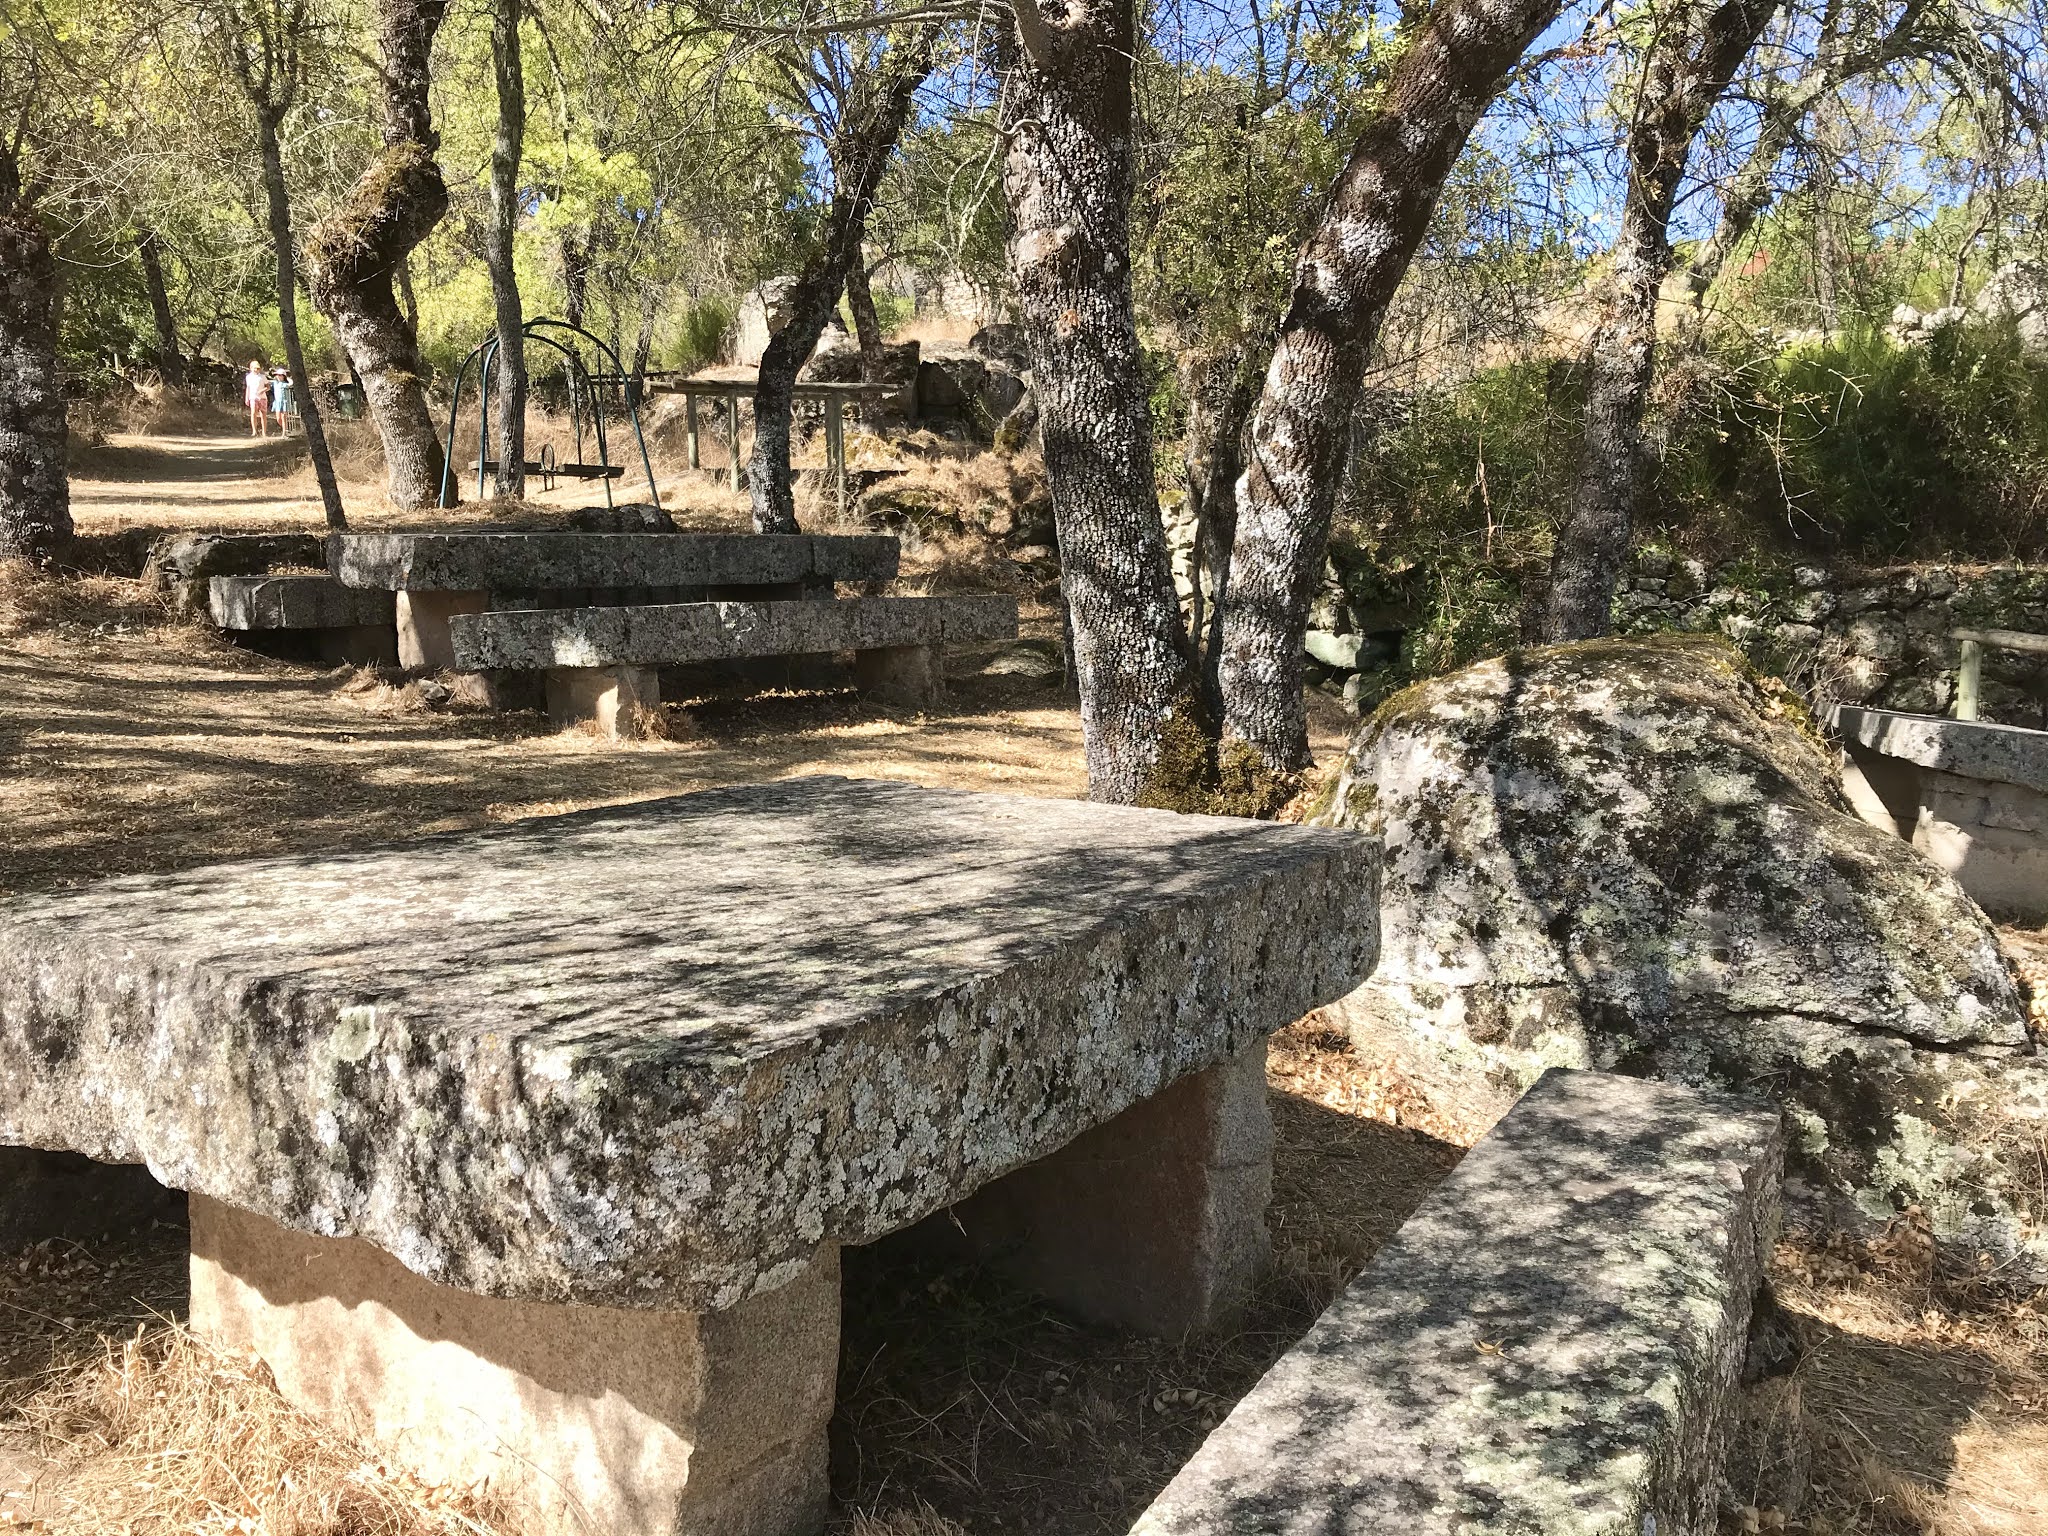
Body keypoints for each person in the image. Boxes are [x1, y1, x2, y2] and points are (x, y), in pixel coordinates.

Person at [244, 361, 270, 438]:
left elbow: (268, 387)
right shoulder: (248, 377)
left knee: (263, 414)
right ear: (251, 368)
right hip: (253, 397)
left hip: (262, 397)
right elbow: (248, 388)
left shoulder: (262, 377)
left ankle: (264, 432)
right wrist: (247, 397)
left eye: (258, 368)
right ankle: (254, 431)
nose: (256, 370)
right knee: (253, 413)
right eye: (254, 368)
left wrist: (262, 390)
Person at [269, 368, 293, 436]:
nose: (278, 376)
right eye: (277, 375)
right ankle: (285, 429)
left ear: (283, 376)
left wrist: (287, 377)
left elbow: (291, 383)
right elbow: (267, 381)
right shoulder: (275, 383)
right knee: (278, 418)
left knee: (283, 417)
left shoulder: (285, 384)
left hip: (284, 402)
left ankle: (284, 432)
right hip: (277, 402)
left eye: (280, 375)